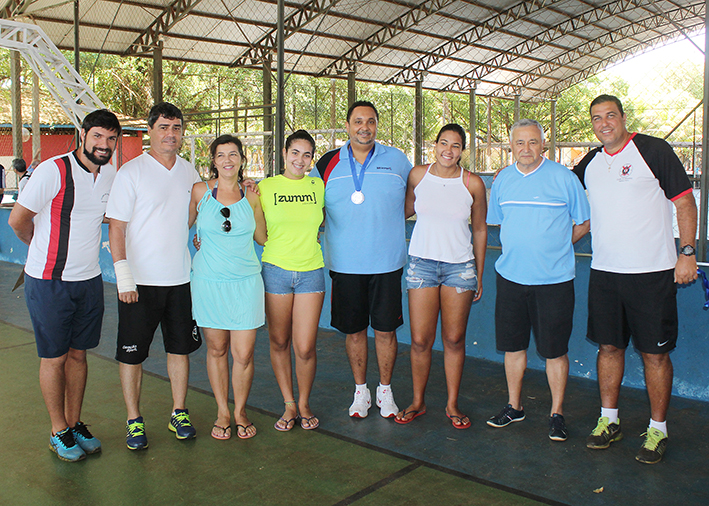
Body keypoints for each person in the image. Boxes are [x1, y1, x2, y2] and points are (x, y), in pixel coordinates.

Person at [573, 95, 697, 464]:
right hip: (606, 274)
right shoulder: (591, 163)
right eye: (597, 118)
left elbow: (685, 202)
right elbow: (562, 191)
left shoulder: (653, 150)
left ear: (623, 118)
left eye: (611, 115)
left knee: (654, 354)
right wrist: (511, 171)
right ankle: (608, 421)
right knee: (608, 348)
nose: (604, 123)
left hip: (653, 275)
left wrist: (686, 253)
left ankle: (657, 428)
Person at [8, 109, 122, 462]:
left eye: (111, 138)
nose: (104, 144)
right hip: (48, 282)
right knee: (54, 357)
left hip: (88, 281)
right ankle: (58, 430)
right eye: (98, 136)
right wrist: (39, 250)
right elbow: (18, 220)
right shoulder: (53, 170)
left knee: (78, 354)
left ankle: (73, 424)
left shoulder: (110, 176)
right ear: (83, 135)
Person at [486, 118, 590, 441]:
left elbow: (583, 223)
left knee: (554, 350)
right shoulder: (503, 180)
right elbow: (499, 223)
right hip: (511, 279)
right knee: (513, 347)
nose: (526, 149)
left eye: (533, 142)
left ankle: (557, 414)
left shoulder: (564, 178)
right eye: (520, 143)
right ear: (511, 145)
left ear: (543, 144)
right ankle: (514, 407)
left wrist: (557, 246)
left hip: (555, 281)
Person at [107, 102, 203, 451]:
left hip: (179, 279)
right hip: (139, 283)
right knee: (132, 354)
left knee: (180, 350)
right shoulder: (130, 172)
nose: (171, 134)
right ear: (150, 131)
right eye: (164, 127)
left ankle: (179, 411)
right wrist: (123, 275)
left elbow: (193, 216)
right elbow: (116, 227)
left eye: (176, 128)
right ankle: (134, 420)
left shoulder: (189, 172)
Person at [312, 100, 412, 418]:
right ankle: (361, 394)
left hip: (386, 263)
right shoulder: (328, 163)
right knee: (354, 331)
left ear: (377, 126)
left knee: (385, 331)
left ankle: (385, 392)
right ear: (348, 126)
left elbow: (411, 201)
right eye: (358, 121)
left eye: (370, 121)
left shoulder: (397, 160)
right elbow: (311, 204)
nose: (364, 127)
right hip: (344, 264)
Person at [395, 124, 487, 428]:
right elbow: (402, 210)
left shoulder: (472, 183)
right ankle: (418, 402)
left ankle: (452, 405)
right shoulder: (418, 176)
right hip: (422, 265)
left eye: (456, 145)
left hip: (459, 268)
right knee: (420, 340)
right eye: (443, 143)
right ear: (434, 145)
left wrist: (479, 274)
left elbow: (479, 229)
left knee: (454, 338)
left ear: (463, 150)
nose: (449, 150)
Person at [188, 134, 267, 440]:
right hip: (209, 283)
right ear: (213, 161)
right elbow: (186, 224)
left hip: (246, 283)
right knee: (217, 349)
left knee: (244, 354)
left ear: (242, 159)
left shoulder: (252, 194)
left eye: (233, 154)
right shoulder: (199, 192)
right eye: (221, 155)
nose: (228, 160)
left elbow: (262, 238)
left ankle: (240, 411)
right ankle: (223, 411)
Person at [258, 130, 325, 431]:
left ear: (312, 159)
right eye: (295, 152)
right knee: (279, 340)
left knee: (305, 346)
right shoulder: (264, 187)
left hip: (311, 271)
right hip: (276, 271)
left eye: (307, 154)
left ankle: (305, 402)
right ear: (284, 154)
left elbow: (327, 218)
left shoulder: (318, 186)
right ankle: (289, 404)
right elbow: (257, 232)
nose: (300, 159)